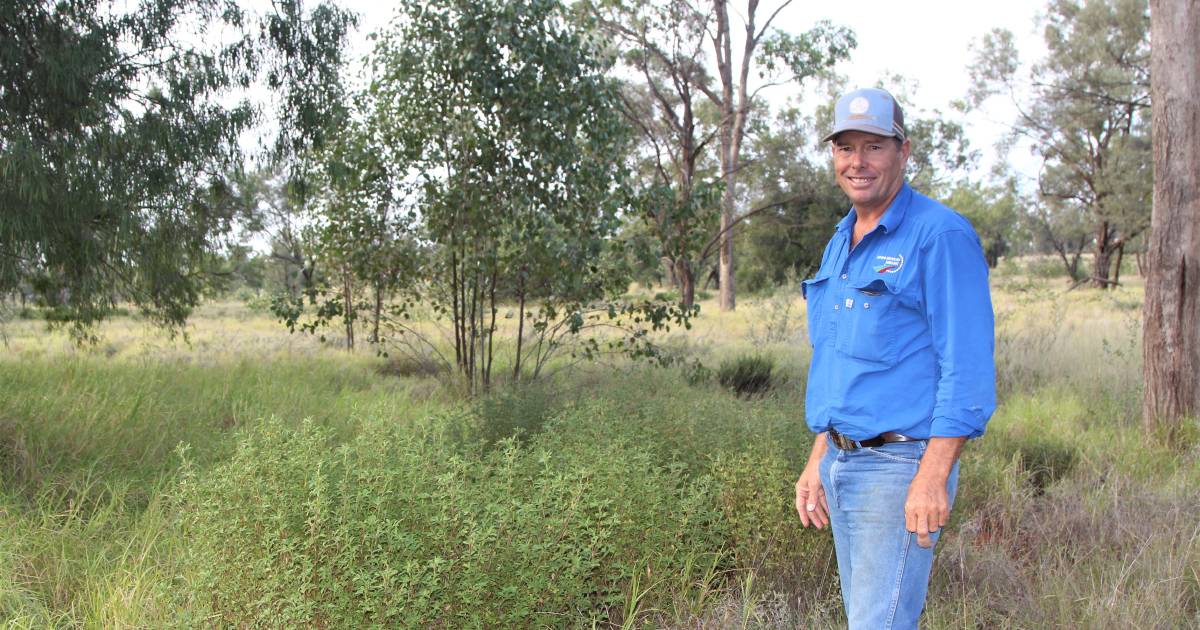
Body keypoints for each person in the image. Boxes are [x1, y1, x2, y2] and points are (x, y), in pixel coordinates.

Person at [794, 87, 997, 629]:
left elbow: (968, 370)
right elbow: (838, 360)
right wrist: (820, 455)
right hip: (843, 463)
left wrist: (933, 476)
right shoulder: (842, 239)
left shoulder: (940, 236)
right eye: (845, 148)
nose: (857, 162)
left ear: (903, 151)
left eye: (874, 146)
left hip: (899, 468)